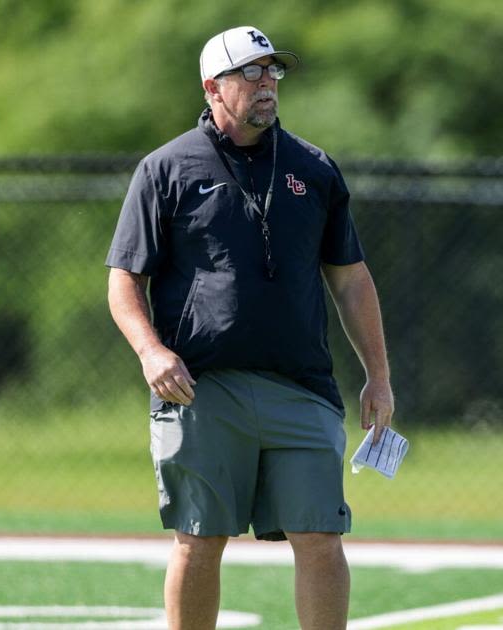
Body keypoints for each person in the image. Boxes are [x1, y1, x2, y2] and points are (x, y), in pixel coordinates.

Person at [105, 25, 394, 630]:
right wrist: (150, 351)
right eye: (250, 73)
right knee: (199, 539)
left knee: (320, 535)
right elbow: (124, 281)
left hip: (303, 387)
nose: (267, 84)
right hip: (203, 389)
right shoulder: (166, 168)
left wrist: (378, 376)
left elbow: (350, 279)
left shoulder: (314, 168)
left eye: (273, 71)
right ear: (213, 87)